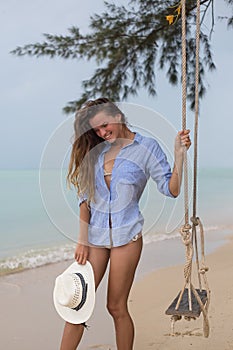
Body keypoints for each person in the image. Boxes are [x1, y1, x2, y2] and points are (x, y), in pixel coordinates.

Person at [61, 97, 191, 350]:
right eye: (96, 130)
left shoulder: (147, 147)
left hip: (127, 238)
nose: (101, 132)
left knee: (116, 307)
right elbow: (85, 199)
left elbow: (171, 189)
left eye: (104, 125)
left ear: (118, 116)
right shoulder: (96, 152)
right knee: (77, 305)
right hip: (95, 239)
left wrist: (179, 155)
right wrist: (82, 240)